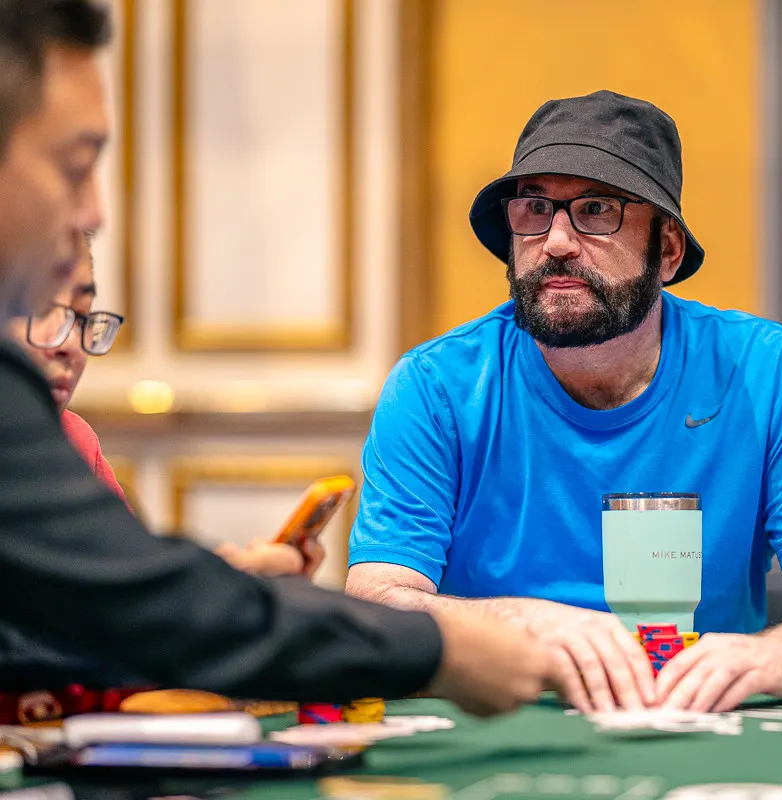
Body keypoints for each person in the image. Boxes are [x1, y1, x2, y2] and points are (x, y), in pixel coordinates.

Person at [0, 0, 558, 715]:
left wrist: (227, 591)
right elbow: (130, 608)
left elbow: (86, 616)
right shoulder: (439, 380)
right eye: (74, 165)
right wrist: (435, 649)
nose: (96, 212)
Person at [346, 90, 782, 714]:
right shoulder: (436, 386)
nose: (555, 241)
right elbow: (377, 600)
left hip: (697, 720)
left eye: (597, 209)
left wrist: (779, 654)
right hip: (496, 720)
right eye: (535, 209)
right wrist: (526, 622)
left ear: (668, 250)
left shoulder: (769, 372)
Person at [5, 237, 323, 578]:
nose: (70, 343)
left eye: (82, 318)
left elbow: (131, 581)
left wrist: (243, 580)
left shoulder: (75, 439)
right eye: (39, 310)